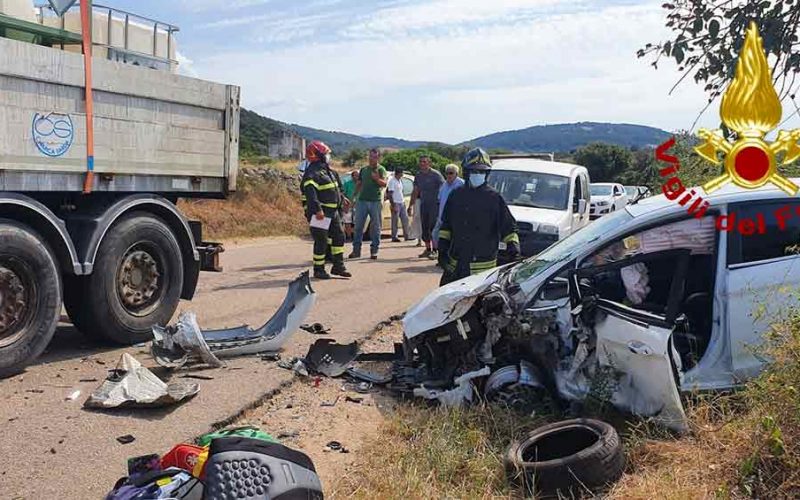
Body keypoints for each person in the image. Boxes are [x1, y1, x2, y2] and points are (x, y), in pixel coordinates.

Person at [438, 148, 519, 286]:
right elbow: (446, 226)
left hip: (483, 273)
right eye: (474, 171)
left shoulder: (494, 198)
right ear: (466, 172)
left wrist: (513, 246)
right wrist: (442, 248)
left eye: (481, 172)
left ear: (487, 174)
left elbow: (508, 227)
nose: (477, 174)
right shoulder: (456, 195)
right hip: (455, 269)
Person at [301, 140, 351, 280]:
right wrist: (317, 211)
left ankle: (338, 266)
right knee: (321, 241)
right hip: (320, 214)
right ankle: (319, 269)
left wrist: (342, 198)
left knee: (339, 236)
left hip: (333, 212)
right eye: (327, 154)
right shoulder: (312, 173)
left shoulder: (328, 171)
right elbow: (311, 194)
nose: (329, 156)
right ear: (318, 155)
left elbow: (336, 189)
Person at [349, 148, 388, 260]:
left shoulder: (381, 169)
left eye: (375, 157)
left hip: (375, 201)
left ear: (378, 157)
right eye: (371, 156)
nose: (372, 159)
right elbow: (359, 183)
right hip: (362, 201)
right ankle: (356, 251)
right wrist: (353, 197)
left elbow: (384, 184)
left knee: (376, 227)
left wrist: (377, 179)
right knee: (358, 227)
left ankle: (374, 251)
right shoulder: (364, 170)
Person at [408, 155, 444, 259]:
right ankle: (428, 249)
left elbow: (444, 187)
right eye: (421, 162)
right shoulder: (418, 175)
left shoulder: (436, 175)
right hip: (424, 205)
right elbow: (415, 191)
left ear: (429, 163)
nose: (422, 164)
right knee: (425, 228)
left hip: (435, 205)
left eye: (424, 162)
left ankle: (435, 250)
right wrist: (411, 205)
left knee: (433, 228)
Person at [432, 163, 464, 250]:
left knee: (451, 239)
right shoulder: (444, 185)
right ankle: (438, 253)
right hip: (442, 217)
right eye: (447, 173)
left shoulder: (461, 184)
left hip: (455, 218)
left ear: (456, 174)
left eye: (451, 173)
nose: (448, 175)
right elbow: (439, 200)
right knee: (435, 235)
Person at [386, 167, 411, 242]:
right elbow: (390, 194)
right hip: (395, 202)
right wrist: (393, 205)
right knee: (395, 221)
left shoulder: (399, 181)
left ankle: (407, 235)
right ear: (399, 173)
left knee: (405, 219)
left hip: (402, 202)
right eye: (402, 173)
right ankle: (394, 236)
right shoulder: (392, 181)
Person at [341, 170, 359, 241]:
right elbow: (343, 194)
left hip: (358, 206)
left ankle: (356, 236)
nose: (357, 177)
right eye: (356, 175)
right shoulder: (347, 184)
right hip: (348, 206)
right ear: (352, 176)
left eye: (358, 176)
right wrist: (345, 203)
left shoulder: (361, 184)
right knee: (347, 222)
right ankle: (349, 237)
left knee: (357, 222)